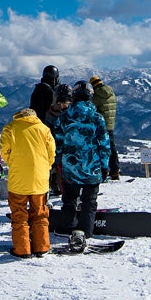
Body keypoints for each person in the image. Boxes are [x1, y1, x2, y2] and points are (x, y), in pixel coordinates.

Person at [54, 81, 111, 252]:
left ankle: (68, 226)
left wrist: (61, 159)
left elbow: (58, 142)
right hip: (91, 166)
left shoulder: (64, 117)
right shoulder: (97, 118)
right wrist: (105, 165)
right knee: (89, 200)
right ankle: (86, 230)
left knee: (69, 198)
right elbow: (104, 144)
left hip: (71, 166)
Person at [0, 107, 56, 259]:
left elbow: (4, 151)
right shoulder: (44, 129)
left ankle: (22, 249)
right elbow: (51, 154)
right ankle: (42, 247)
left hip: (18, 179)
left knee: (19, 214)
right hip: (40, 180)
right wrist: (45, 167)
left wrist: (14, 163)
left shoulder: (10, 128)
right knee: (40, 214)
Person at [43, 83, 73, 194]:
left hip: (55, 145)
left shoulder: (51, 112)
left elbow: (47, 131)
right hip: (71, 145)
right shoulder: (73, 111)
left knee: (56, 167)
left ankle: (57, 187)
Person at [90, 76, 120, 181]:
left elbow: (91, 105)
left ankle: (103, 170)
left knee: (101, 148)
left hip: (101, 124)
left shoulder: (98, 94)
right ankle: (115, 169)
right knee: (111, 146)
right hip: (110, 124)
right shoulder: (111, 93)